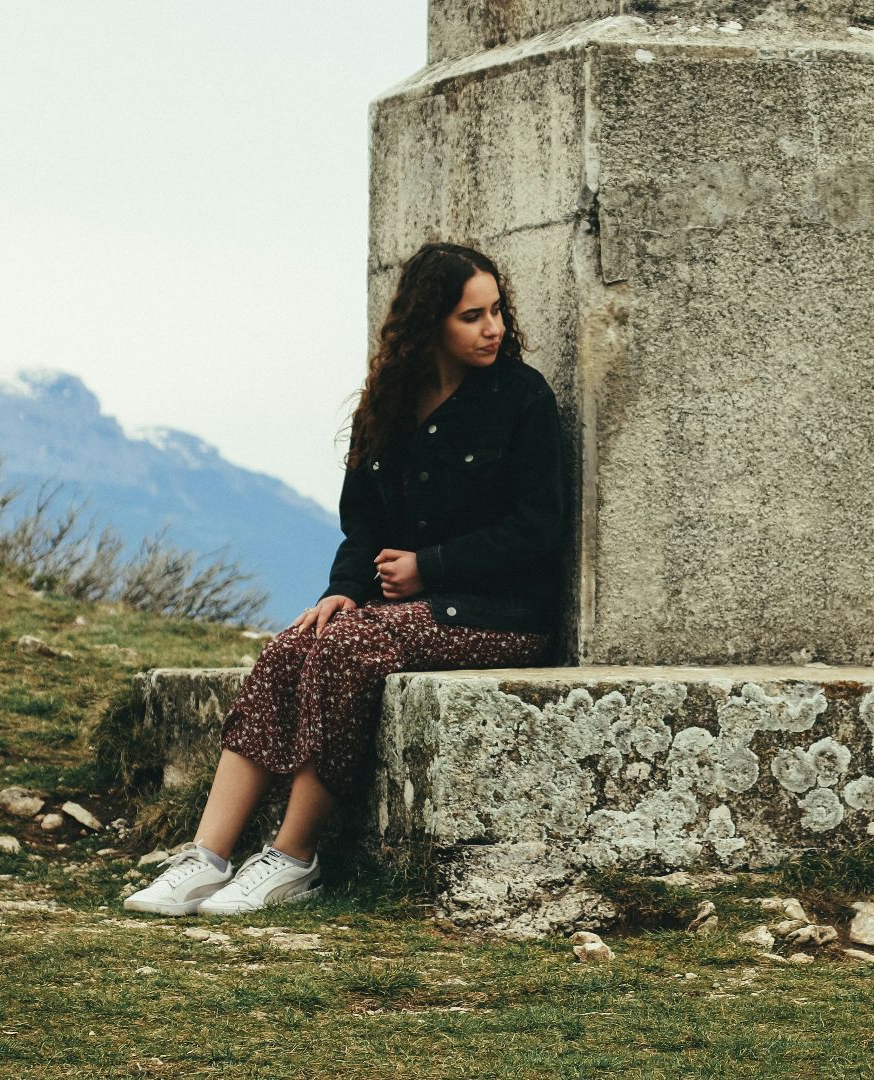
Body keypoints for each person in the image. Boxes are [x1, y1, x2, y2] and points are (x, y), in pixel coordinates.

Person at [125, 242, 565, 916]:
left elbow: (539, 528)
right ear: (430, 325)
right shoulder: (386, 405)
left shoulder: (522, 398)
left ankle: (292, 859)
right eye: (471, 316)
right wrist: (340, 590)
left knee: (347, 649)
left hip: (499, 614)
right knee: (292, 644)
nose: (493, 328)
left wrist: (431, 568)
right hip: (406, 611)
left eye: (497, 310)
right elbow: (362, 527)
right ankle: (205, 858)